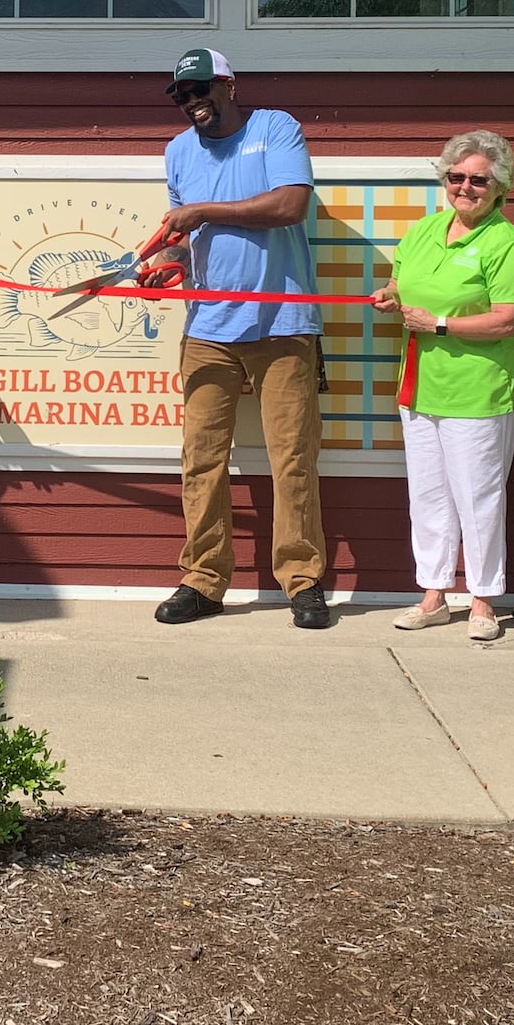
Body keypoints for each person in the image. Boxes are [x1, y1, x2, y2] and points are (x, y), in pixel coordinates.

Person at [149, 49, 333, 632]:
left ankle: (302, 581)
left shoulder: (275, 127)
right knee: (201, 461)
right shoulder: (178, 152)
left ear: (228, 85)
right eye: (181, 94)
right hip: (207, 329)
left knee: (293, 461)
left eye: (201, 87)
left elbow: (290, 204)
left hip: (283, 323)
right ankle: (203, 581)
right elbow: (188, 236)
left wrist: (203, 211)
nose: (191, 101)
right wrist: (170, 261)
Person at [374, 130, 514, 642]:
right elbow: (403, 282)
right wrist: (389, 293)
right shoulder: (424, 231)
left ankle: (484, 600)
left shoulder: (504, 241)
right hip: (421, 384)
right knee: (428, 495)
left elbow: (512, 318)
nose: (466, 187)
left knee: (479, 496)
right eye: (457, 177)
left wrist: (439, 324)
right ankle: (433, 595)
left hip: (480, 389)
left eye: (479, 180)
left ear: (499, 187)